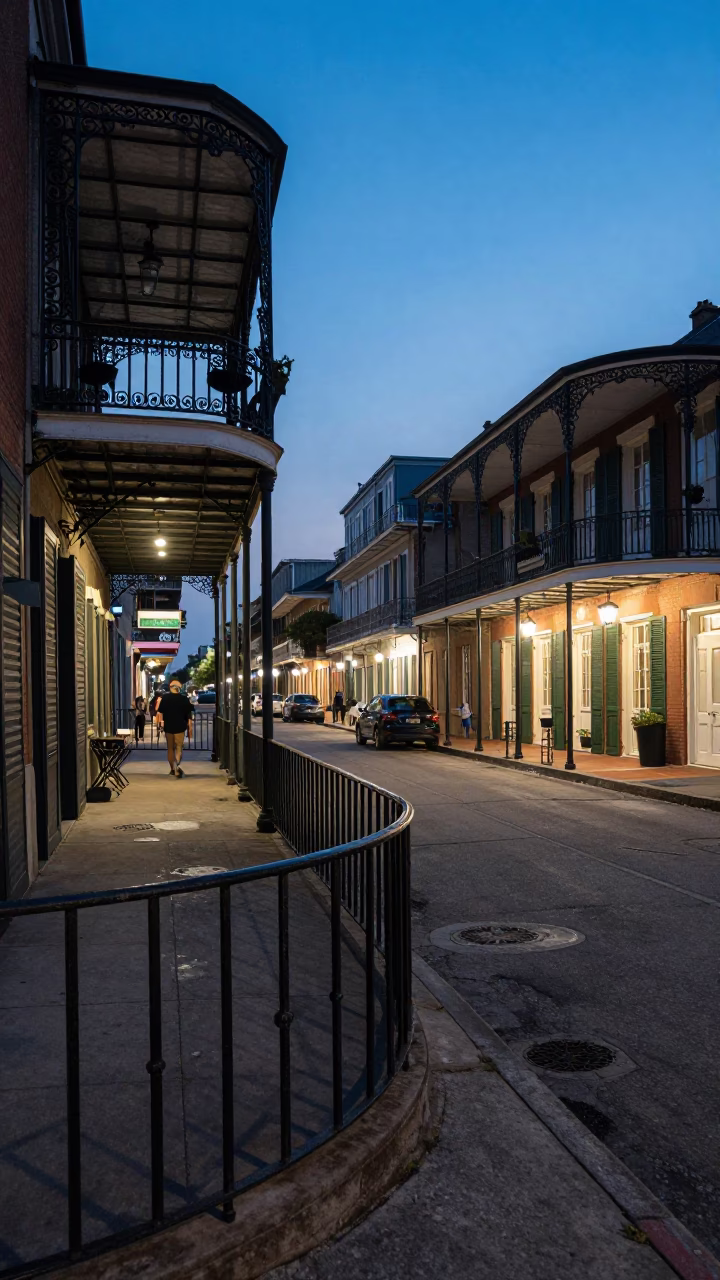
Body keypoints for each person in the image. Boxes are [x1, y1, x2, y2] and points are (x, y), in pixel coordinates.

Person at [157, 678, 193, 776]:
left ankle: (172, 769)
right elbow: (189, 713)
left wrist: (160, 723)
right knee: (179, 747)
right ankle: (177, 765)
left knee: (170, 748)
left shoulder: (165, 698)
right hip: (180, 726)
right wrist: (190, 726)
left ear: (170, 688)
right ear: (179, 688)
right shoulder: (184, 699)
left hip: (169, 726)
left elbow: (160, 711)